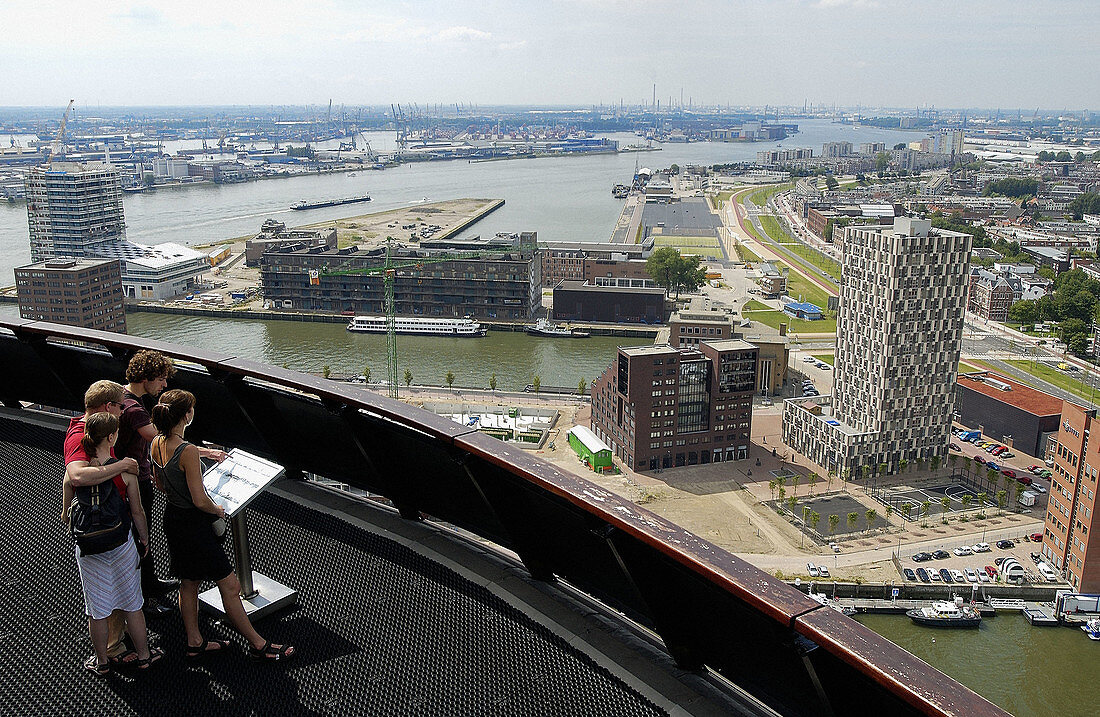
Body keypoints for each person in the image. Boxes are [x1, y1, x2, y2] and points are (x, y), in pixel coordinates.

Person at [151, 389, 294, 662]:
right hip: (195, 525)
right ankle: (258, 644)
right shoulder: (188, 451)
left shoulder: (156, 442)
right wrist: (218, 509)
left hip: (173, 520)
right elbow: (199, 498)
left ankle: (194, 641)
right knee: (229, 585)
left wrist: (205, 454)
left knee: (188, 582)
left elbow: (159, 482)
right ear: (187, 415)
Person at [118, 350, 226, 616]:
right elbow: (163, 439)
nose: (164, 385)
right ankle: (143, 597)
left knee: (141, 535)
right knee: (140, 536)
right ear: (146, 378)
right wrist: (206, 452)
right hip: (134, 481)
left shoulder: (122, 396)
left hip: (133, 478)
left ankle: (150, 585)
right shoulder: (134, 409)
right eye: (161, 379)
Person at [70, 412, 163, 675]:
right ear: (112, 436)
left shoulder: (79, 470)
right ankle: (144, 656)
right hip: (120, 542)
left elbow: (68, 507)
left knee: (97, 608)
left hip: (89, 547)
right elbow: (137, 512)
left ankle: (101, 662)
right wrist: (144, 539)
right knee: (132, 602)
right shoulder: (124, 471)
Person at [63, 380, 140, 668]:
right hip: (105, 528)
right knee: (111, 597)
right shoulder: (79, 437)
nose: (123, 412)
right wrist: (121, 466)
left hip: (107, 525)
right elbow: (77, 476)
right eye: (121, 406)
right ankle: (112, 648)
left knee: (104, 597)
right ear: (108, 407)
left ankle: (107, 653)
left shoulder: (86, 430)